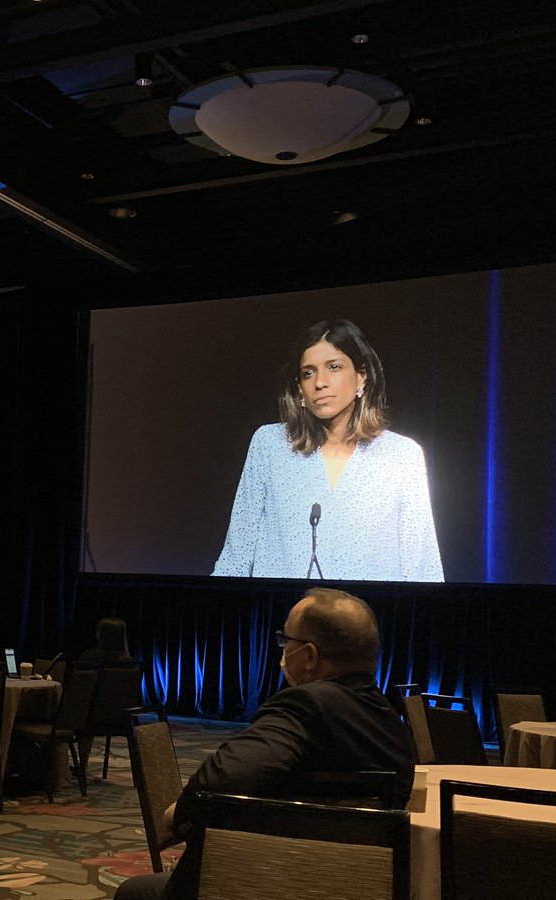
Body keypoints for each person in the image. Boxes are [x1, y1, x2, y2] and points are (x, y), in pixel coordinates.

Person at [114, 588, 416, 900]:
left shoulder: (305, 705)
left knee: (133, 892)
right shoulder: (392, 724)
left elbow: (221, 780)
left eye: (286, 642)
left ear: (310, 656)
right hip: (351, 885)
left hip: (269, 879)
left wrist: (178, 817)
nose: (282, 652)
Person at [212, 318, 443, 581]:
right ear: (299, 388)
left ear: (361, 377)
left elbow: (423, 567)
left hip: (368, 617)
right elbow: (236, 555)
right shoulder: (270, 445)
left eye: (333, 367)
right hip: (283, 615)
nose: (320, 382)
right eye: (308, 373)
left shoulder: (401, 456)